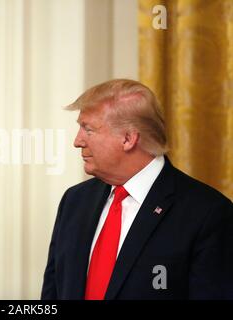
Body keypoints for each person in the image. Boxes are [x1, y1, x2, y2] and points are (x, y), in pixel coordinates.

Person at [41, 79, 233, 300]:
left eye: (88, 129)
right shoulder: (74, 201)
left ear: (128, 138)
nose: (77, 141)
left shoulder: (208, 214)